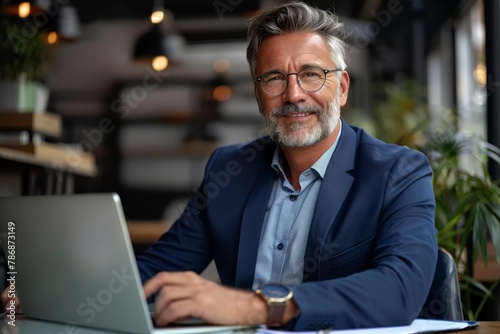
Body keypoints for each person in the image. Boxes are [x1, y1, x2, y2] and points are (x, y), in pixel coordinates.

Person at [2, 1, 438, 331]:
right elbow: (157, 270)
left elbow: (400, 289)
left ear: (340, 87)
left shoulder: (398, 172)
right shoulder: (231, 169)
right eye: (274, 79)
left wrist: (256, 306)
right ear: (258, 92)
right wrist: (52, 293)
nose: (293, 95)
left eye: (311, 74)